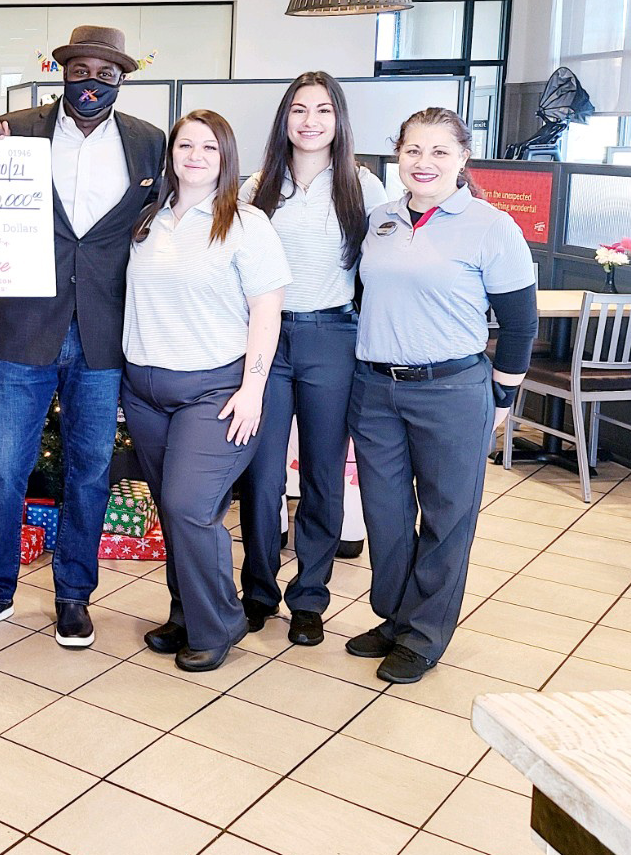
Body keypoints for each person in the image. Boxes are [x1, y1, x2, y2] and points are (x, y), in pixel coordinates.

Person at [0, 25, 166, 649]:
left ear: (121, 79)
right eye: (81, 71)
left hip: (105, 333)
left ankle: (74, 595)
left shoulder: (150, 144)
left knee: (90, 471)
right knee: (0, 469)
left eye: (106, 74)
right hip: (24, 327)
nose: (92, 83)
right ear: (63, 73)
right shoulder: (13, 131)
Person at [346, 106, 536, 684]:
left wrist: (502, 398)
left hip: (452, 390)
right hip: (375, 389)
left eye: (439, 151)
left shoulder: (490, 226)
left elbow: (520, 323)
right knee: (385, 514)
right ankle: (395, 616)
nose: (423, 162)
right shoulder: (380, 219)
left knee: (447, 516)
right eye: (412, 150)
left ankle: (424, 634)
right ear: (398, 155)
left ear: (463, 158)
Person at [125, 110, 289, 673]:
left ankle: (219, 622)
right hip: (144, 390)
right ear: (170, 154)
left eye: (209, 148)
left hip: (214, 390)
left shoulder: (246, 223)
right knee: (172, 512)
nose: (195, 156)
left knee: (189, 506)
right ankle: (186, 612)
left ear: (226, 158)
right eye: (185, 145)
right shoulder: (148, 220)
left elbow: (266, 311)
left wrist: (254, 389)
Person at [234, 72, 387, 647]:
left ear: (338, 120)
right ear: (285, 118)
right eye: (299, 110)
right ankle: (258, 590)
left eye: (323, 110)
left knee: (323, 474)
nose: (310, 121)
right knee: (261, 473)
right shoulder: (258, 186)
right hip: (267, 341)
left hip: (333, 338)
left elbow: (390, 261)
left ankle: (309, 597)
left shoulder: (363, 186)